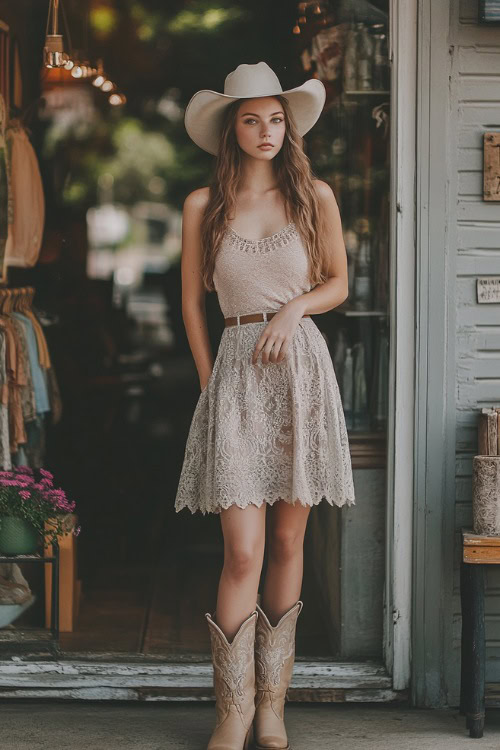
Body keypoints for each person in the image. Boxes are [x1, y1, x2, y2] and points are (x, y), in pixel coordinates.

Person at [175, 61, 356, 750]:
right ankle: (234, 711)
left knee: (287, 540)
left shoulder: (315, 195)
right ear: (231, 128)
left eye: (276, 118)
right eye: (251, 119)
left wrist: (296, 309)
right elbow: (192, 300)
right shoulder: (203, 205)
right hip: (235, 377)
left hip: (300, 375)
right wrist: (208, 382)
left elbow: (338, 281)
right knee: (242, 551)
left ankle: (274, 705)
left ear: (289, 125)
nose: (266, 130)